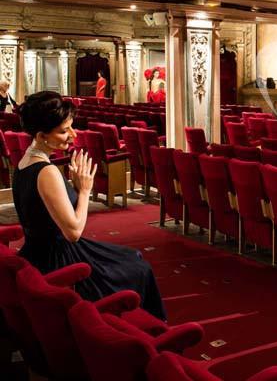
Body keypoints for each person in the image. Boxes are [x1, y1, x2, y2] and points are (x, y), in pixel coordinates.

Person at [12, 91, 166, 319]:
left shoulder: (24, 162)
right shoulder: (46, 172)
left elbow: (46, 214)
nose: (73, 135)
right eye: (64, 131)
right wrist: (84, 190)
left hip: (38, 252)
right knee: (138, 268)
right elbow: (73, 232)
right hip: (59, 259)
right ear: (42, 136)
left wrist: (74, 188)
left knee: (132, 257)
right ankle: (147, 329)